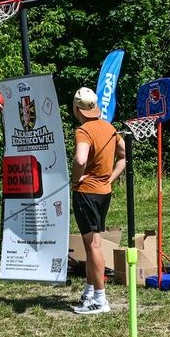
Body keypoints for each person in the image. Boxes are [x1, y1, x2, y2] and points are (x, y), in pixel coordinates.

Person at [70, 87, 127, 315]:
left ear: (77, 109)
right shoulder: (109, 127)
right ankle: (90, 290)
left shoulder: (83, 130)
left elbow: (80, 158)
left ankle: (100, 300)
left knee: (93, 246)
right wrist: (110, 178)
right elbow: (123, 155)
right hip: (104, 192)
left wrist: (75, 178)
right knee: (91, 243)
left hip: (87, 193)